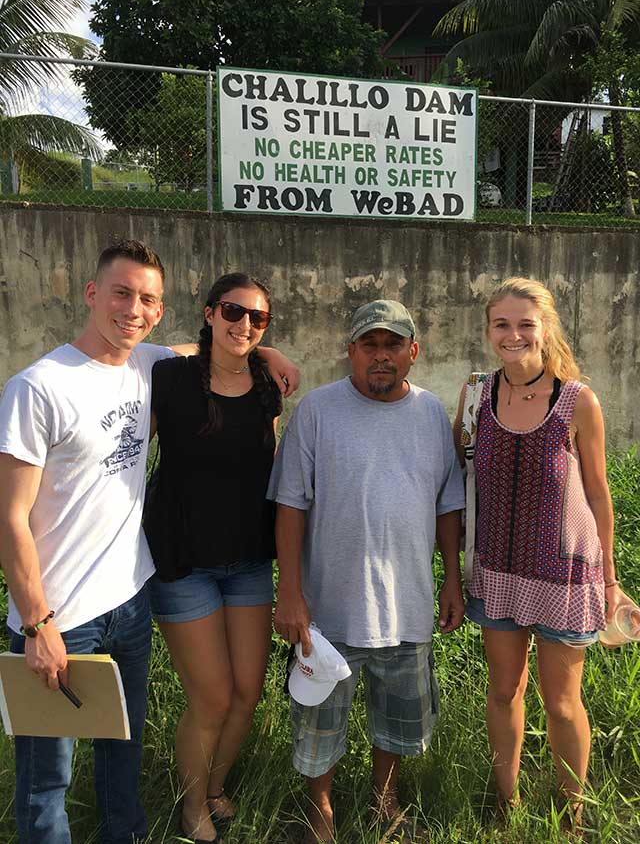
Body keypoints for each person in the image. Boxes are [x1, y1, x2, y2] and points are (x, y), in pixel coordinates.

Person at [0, 241, 298, 844]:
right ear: (91, 294)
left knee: (121, 756)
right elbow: (9, 517)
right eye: (121, 293)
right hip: (60, 613)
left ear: (160, 311)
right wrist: (36, 622)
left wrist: (266, 346)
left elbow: (216, 347)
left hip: (130, 596)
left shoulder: (148, 365)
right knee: (46, 778)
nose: (133, 309)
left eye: (147, 299)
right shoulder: (37, 387)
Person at [268, 300, 465, 843]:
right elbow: (290, 504)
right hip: (328, 608)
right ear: (350, 351)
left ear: (413, 352)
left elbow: (449, 503)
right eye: (370, 346)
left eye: (393, 345)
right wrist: (291, 591)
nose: (382, 357)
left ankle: (386, 803)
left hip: (408, 602)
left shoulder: (430, 413)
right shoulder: (316, 411)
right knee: (318, 722)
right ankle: (321, 810)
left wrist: (452, 577)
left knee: (400, 720)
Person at [452, 277, 622, 830]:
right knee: (503, 691)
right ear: (487, 330)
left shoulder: (577, 401)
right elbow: (460, 473)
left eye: (526, 323)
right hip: (497, 572)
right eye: (502, 323)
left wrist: (610, 581)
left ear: (546, 329)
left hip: (564, 575)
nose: (514, 334)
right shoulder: (476, 394)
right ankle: (507, 801)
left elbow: (598, 493)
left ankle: (571, 811)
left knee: (563, 703)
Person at [143, 273, 282, 844]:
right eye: (232, 311)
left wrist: (266, 353)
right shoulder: (171, 377)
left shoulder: (268, 384)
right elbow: (151, 354)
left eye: (258, 319)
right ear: (207, 313)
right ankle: (192, 805)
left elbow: (274, 463)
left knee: (249, 691)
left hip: (249, 559)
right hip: (184, 560)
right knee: (213, 696)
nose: (244, 325)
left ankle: (216, 784)